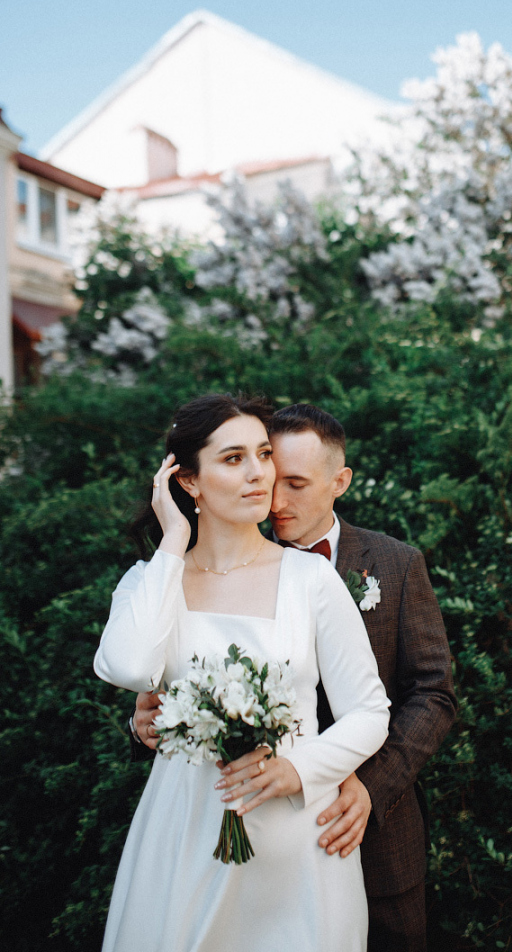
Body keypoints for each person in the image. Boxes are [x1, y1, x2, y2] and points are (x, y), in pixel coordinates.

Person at [133, 403, 457, 951]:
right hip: (245, 832)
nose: (276, 500)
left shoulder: (395, 564)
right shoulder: (227, 561)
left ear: (340, 481)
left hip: (366, 825)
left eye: (297, 484)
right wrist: (155, 713)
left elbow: (433, 693)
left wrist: (366, 784)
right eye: (271, 478)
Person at [95, 393, 390, 952]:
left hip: (300, 844)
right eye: (233, 459)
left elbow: (370, 710)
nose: (259, 474)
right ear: (187, 482)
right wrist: (174, 545)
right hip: (184, 830)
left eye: (262, 454)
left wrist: (297, 771)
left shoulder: (311, 580)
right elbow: (131, 667)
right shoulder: (149, 580)